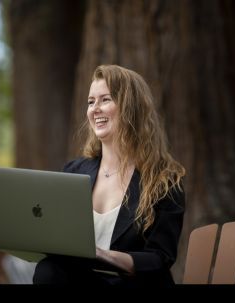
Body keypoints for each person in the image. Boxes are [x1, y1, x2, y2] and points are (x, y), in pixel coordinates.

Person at [33, 64, 186, 285]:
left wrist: (104, 255)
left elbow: (160, 258)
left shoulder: (164, 180)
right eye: (91, 101)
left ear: (130, 107)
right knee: (48, 270)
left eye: (105, 99)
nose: (95, 109)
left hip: (129, 281)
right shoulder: (73, 172)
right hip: (83, 279)